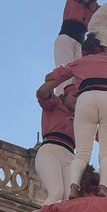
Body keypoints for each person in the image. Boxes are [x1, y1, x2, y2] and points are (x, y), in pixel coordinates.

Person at [48, 33, 107, 194]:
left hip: (85, 99)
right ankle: (103, 187)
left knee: (82, 152)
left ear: (84, 52)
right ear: (101, 50)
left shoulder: (78, 62)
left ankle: (73, 187)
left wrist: (56, 77)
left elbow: (50, 77)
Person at [33, 75, 77, 204]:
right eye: (75, 95)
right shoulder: (54, 104)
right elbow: (42, 92)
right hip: (51, 149)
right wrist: (62, 75)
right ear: (64, 96)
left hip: (70, 156)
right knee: (56, 192)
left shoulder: (81, 117)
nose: (77, 100)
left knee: (70, 199)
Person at [53, 0, 102, 67]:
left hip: (79, 45)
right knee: (66, 70)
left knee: (78, 72)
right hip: (66, 39)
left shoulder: (92, 11)